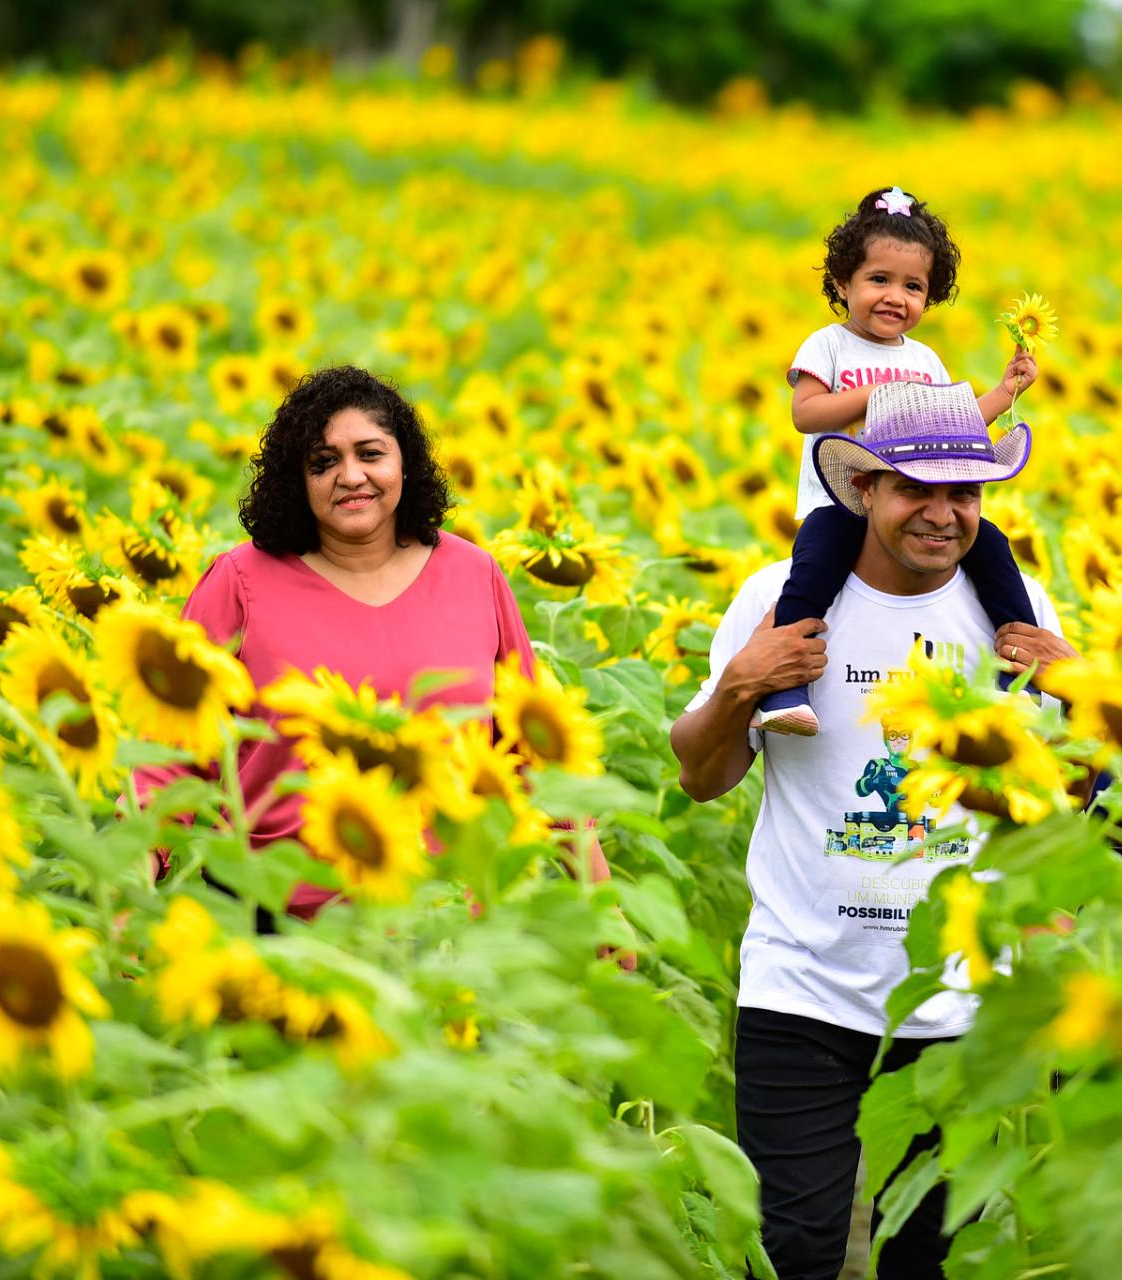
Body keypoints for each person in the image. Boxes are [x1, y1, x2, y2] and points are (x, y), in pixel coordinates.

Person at [670, 380, 1066, 1280]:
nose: (940, 514)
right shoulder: (779, 598)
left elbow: (1054, 789)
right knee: (791, 1250)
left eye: (962, 494)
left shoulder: (1019, 612)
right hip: (801, 984)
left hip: (958, 992)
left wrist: (1081, 693)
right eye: (915, 490)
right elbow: (702, 776)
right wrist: (741, 684)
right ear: (866, 490)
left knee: (924, 1254)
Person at [132, 365, 609, 921]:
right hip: (275, 919)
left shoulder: (472, 574)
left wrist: (598, 901)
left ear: (405, 462)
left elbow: (532, 749)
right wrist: (129, 883)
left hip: (446, 921)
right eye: (324, 462)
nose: (351, 475)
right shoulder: (241, 581)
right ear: (297, 479)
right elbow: (168, 756)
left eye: (371, 453)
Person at [753, 185, 1041, 737]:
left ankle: (1016, 673)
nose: (894, 297)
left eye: (913, 287)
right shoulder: (828, 346)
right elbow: (806, 414)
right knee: (811, 576)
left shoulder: (926, 359)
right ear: (843, 283)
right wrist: (876, 395)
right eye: (878, 280)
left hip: (913, 497)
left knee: (994, 550)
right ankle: (784, 687)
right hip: (840, 501)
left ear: (928, 299)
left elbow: (948, 431)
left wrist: (1003, 394)